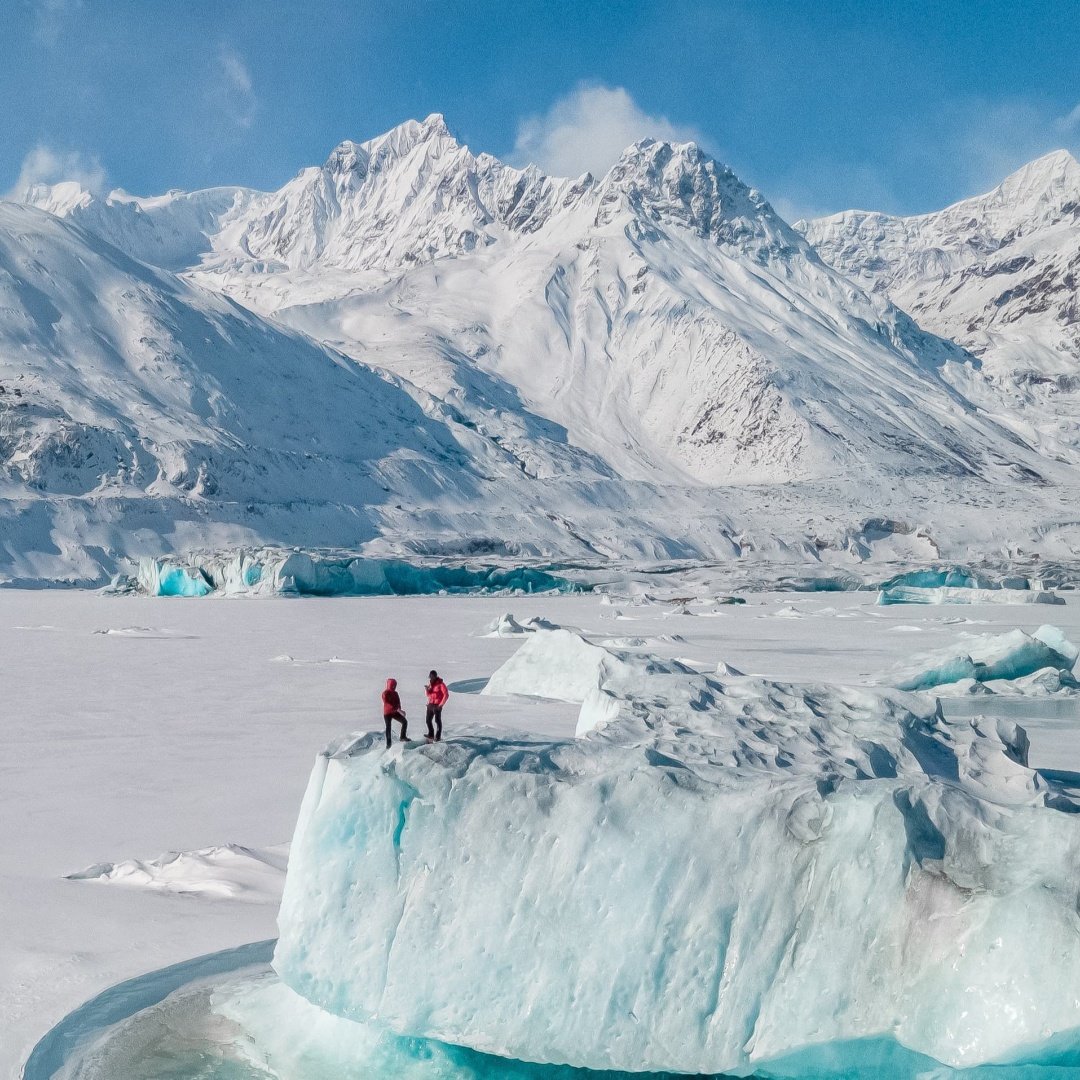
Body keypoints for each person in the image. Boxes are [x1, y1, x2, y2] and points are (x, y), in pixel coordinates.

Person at [425, 670, 449, 742]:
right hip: (430, 705)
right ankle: (431, 734)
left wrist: (441, 704)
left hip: (437, 705)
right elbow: (428, 695)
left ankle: (438, 737)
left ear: (435, 676)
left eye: (432, 677)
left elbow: (446, 695)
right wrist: (427, 690)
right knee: (428, 720)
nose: (431, 678)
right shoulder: (431, 684)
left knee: (437, 721)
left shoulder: (441, 684)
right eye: (430, 677)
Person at [382, 677, 407, 748]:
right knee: (388, 727)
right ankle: (388, 744)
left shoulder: (395, 693)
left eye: (395, 685)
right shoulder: (385, 693)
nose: (394, 687)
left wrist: (399, 709)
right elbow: (387, 703)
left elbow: (398, 702)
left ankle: (403, 737)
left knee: (404, 722)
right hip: (387, 713)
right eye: (393, 685)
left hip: (395, 712)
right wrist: (398, 710)